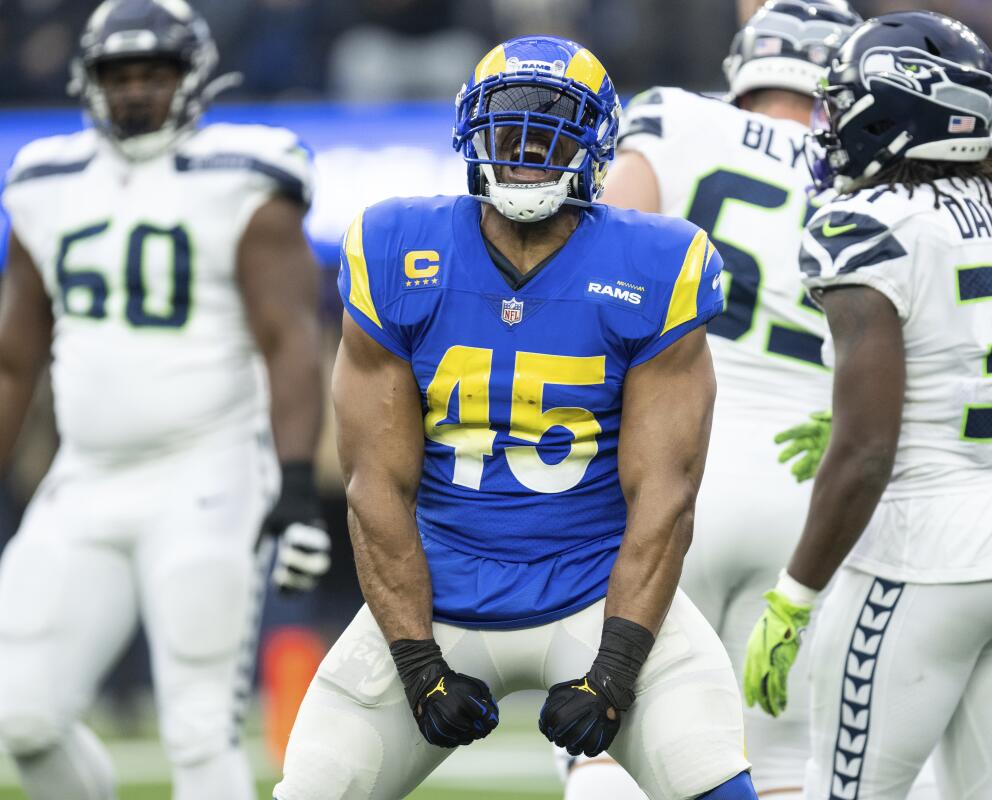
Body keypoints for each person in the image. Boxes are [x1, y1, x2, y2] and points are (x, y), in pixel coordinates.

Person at [273, 35, 757, 800]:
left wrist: (616, 669)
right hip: (439, 593)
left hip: (595, 593)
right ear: (473, 131)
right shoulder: (399, 247)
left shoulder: (655, 263)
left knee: (716, 789)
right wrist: (418, 662)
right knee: (313, 790)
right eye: (511, 125)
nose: (529, 146)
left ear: (595, 140)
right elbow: (374, 485)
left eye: (552, 125)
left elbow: (665, 496)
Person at [742, 12, 992, 798]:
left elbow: (865, 455)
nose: (834, 118)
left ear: (895, 111)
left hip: (926, 554)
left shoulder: (866, 224)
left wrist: (793, 598)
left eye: (849, 99)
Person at [0, 0, 329, 798]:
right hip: (85, 479)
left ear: (194, 77)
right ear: (89, 79)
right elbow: (14, 358)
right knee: (20, 717)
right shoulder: (44, 181)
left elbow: (290, 338)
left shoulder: (246, 174)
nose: (139, 91)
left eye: (156, 73)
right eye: (122, 75)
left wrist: (291, 483)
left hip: (207, 473)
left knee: (196, 731)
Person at [556, 3, 860, 799]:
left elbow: (590, 272)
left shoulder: (677, 122)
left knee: (610, 741)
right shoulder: (865, 170)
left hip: (676, 469)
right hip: (811, 487)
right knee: (783, 759)